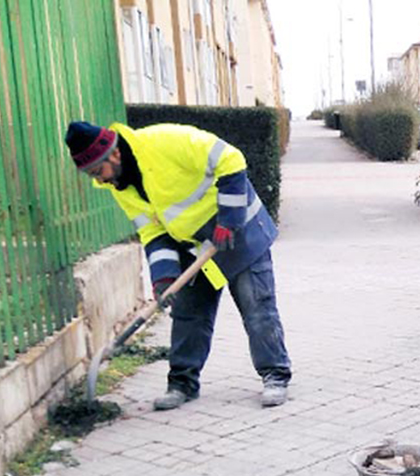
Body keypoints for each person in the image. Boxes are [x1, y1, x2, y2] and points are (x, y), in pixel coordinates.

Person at [65, 120, 291, 410]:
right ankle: (182, 383)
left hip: (238, 231)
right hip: (192, 244)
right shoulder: (121, 187)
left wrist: (230, 218)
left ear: (114, 154)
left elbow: (231, 159)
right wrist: (164, 278)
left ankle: (275, 375)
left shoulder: (166, 141)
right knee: (188, 313)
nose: (100, 180)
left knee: (256, 306)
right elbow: (152, 231)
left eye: (98, 172)